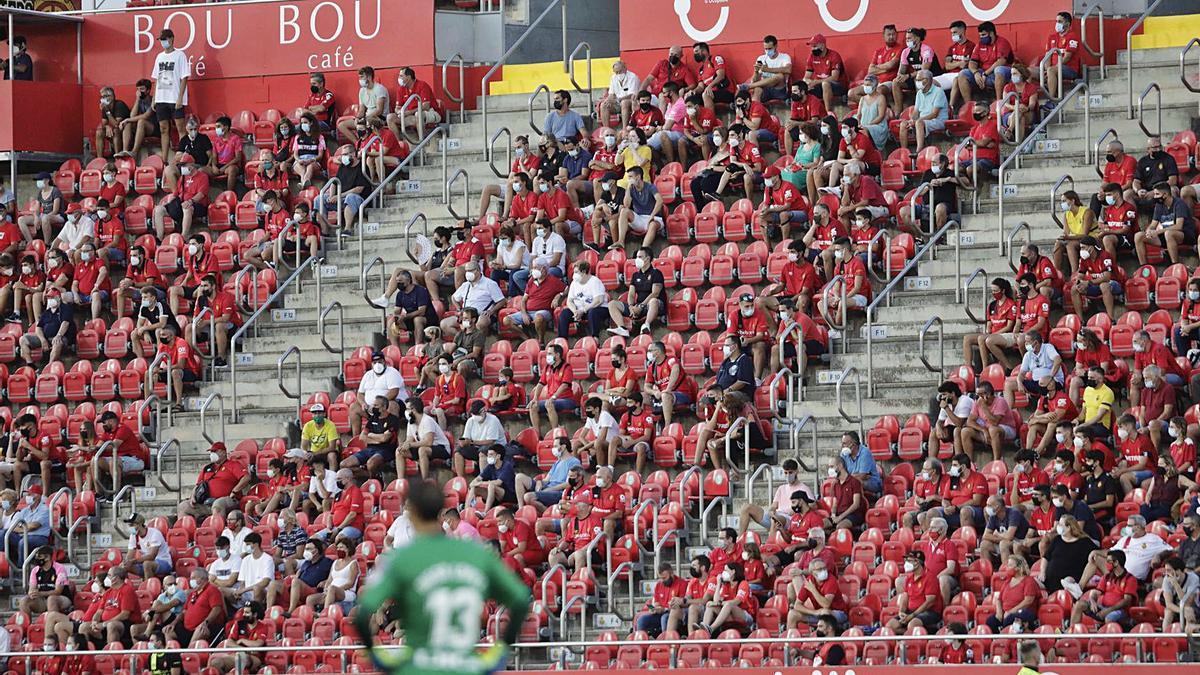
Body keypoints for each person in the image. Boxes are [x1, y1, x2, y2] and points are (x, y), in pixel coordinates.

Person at [355, 480, 529, 674]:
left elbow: (363, 614)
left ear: (412, 515)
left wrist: (383, 662)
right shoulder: (475, 553)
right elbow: (520, 600)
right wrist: (498, 656)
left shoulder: (402, 559)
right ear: (440, 512)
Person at [150, 29, 190, 160]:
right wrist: (154, 98)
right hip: (161, 97)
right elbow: (156, 78)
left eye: (165, 39)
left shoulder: (180, 55)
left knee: (180, 127)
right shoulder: (159, 57)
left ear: (171, 39)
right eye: (161, 40)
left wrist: (180, 98)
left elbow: (184, 77)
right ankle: (164, 159)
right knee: (163, 128)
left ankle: (184, 155)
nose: (163, 42)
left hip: (175, 97)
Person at [887, 550, 944, 631]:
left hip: (929, 612)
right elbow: (905, 597)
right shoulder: (909, 578)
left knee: (912, 625)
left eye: (909, 561)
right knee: (890, 626)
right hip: (911, 612)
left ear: (917, 562)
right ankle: (908, 638)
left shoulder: (930, 577)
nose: (906, 563)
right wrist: (901, 612)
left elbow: (929, 602)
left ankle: (918, 637)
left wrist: (912, 615)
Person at [897, 70, 948, 153]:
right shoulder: (919, 93)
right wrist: (911, 120)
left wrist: (918, 120)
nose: (917, 82)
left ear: (927, 80)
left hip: (938, 121)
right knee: (903, 124)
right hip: (923, 120)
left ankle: (919, 150)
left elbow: (934, 114)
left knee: (919, 122)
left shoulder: (938, 92)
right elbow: (916, 111)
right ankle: (904, 152)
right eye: (917, 80)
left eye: (919, 80)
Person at [803, 34, 845, 112]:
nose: (812, 49)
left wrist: (816, 82)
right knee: (801, 89)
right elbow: (806, 77)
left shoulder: (834, 56)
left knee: (825, 84)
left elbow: (834, 77)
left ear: (822, 45)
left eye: (815, 46)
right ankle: (809, 117)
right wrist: (807, 82)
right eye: (811, 47)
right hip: (819, 85)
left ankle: (828, 113)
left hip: (837, 86)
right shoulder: (811, 57)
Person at [602, 60, 640, 129]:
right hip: (617, 102)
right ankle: (606, 130)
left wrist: (618, 100)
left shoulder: (633, 77)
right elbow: (611, 94)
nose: (618, 74)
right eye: (616, 72)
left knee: (624, 102)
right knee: (604, 105)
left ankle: (624, 129)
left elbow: (632, 95)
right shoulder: (613, 78)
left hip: (630, 102)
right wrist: (609, 100)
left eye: (620, 71)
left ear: (625, 68)